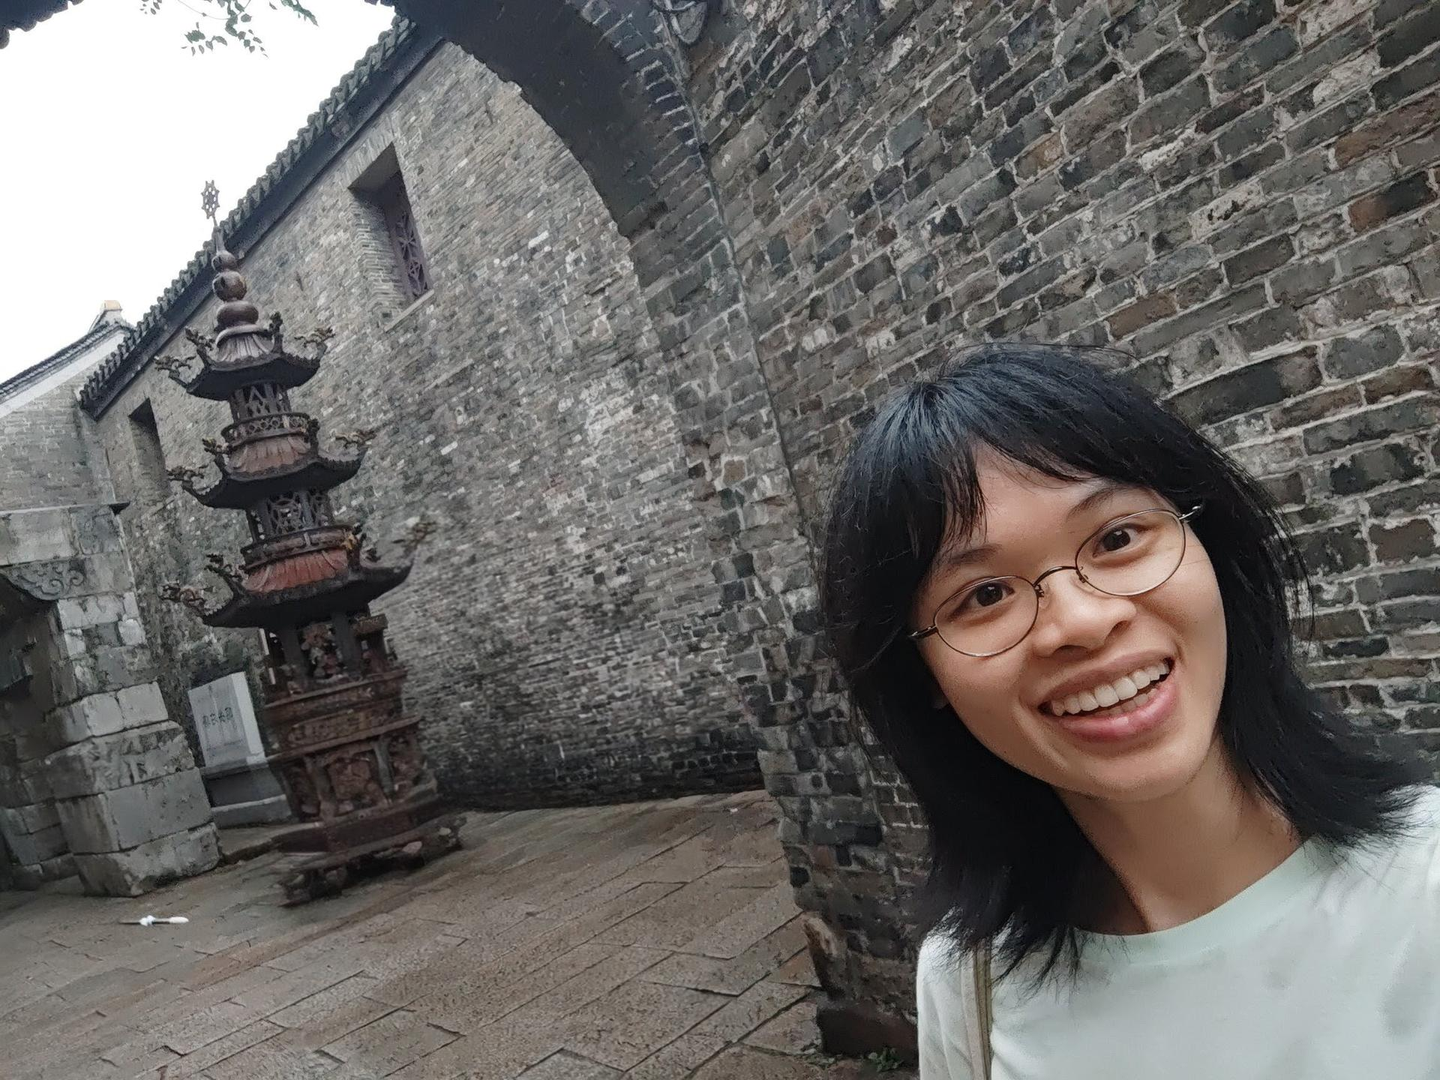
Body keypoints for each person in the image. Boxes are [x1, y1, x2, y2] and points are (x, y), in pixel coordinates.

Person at [818, 342, 1438, 1079]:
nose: (1081, 621)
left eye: (1117, 538)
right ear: (927, 678)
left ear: (1207, 546)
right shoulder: (968, 984)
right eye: (983, 596)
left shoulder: (1423, 885)